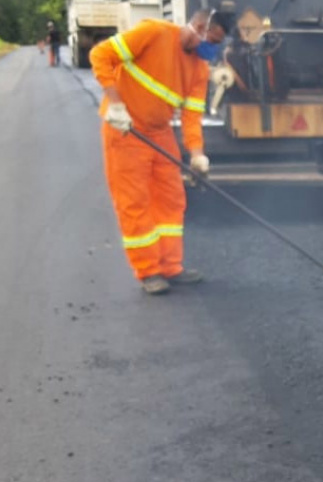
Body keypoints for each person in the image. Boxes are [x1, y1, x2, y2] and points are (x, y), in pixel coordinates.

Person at [89, 9, 232, 295]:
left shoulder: (199, 69)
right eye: (212, 41)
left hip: (159, 132)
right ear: (199, 26)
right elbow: (100, 55)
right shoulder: (154, 33)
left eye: (217, 44)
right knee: (135, 201)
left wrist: (197, 155)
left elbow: (192, 116)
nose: (211, 49)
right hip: (126, 130)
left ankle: (170, 266)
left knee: (171, 198)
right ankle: (148, 271)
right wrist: (115, 105)